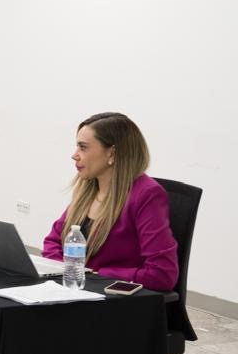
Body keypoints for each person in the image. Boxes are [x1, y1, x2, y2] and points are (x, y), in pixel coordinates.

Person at [42, 112, 178, 291]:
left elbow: (163, 274)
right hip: (80, 289)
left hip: (113, 298)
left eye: (83, 147)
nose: (74, 155)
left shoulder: (147, 194)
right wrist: (67, 271)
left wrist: (97, 274)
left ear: (112, 153)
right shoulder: (87, 188)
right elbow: (53, 242)